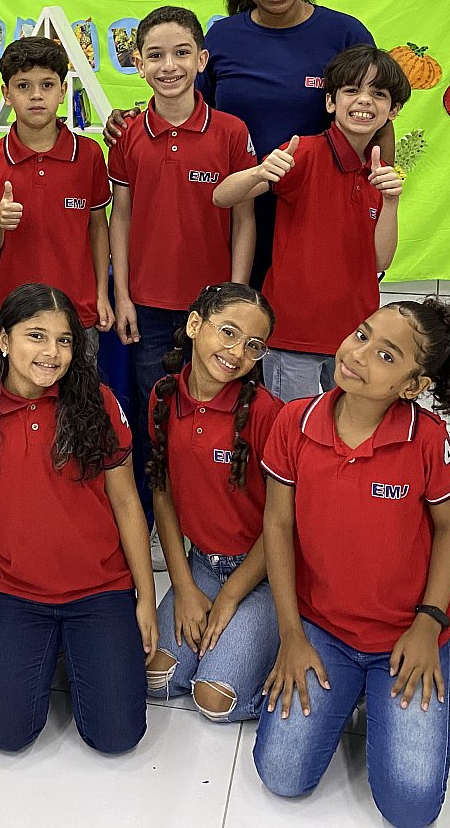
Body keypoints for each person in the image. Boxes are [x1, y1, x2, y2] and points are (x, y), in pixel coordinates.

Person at [254, 299, 450, 828]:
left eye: (386, 355)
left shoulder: (426, 438)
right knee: (282, 775)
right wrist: (291, 635)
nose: (358, 354)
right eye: (361, 335)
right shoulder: (295, 421)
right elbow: (278, 526)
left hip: (408, 635)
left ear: (412, 386)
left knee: (410, 807)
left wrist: (429, 624)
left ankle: (372, 690)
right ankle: (349, 689)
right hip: (322, 629)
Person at [105, 0, 380, 286]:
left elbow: (376, 123)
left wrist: (376, 206)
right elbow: (188, 111)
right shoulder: (223, 38)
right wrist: (134, 119)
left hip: (316, 213)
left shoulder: (345, 34)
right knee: (235, 314)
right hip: (234, 211)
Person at [0, 283, 157, 754]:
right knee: (4, 734)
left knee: (117, 736)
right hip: (16, 592)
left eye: (64, 340)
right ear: (4, 340)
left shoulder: (98, 403)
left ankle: (77, 649)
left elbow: (126, 504)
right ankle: (48, 650)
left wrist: (145, 598)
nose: (51, 352)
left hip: (100, 589)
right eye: (36, 336)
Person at [214, 45, 408, 402]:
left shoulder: (380, 174)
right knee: (291, 428)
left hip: (355, 341)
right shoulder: (303, 151)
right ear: (331, 102)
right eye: (352, 90)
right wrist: (259, 172)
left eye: (379, 94)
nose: (364, 100)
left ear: (393, 110)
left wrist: (392, 203)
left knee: (344, 429)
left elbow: (380, 261)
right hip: (292, 337)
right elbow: (222, 196)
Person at [144, 283, 282, 723]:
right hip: (202, 563)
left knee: (213, 698)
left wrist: (230, 598)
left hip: (263, 572)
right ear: (194, 325)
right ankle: (233, 648)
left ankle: (275, 650)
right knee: (156, 680)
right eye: (228, 332)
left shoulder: (266, 413)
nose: (237, 352)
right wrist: (184, 588)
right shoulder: (164, 395)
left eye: (253, 345)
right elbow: (162, 494)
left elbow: (283, 523)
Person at [110, 5, 257, 416]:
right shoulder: (127, 135)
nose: (169, 66)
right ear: (139, 64)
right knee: (155, 414)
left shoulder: (231, 132)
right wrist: (122, 297)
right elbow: (120, 217)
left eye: (181, 53)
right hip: (148, 306)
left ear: (201, 60)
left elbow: (244, 220)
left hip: (214, 305)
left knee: (215, 412)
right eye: (156, 55)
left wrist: (236, 296)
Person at [0, 36, 113, 341]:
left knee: (82, 375)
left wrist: (102, 293)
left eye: (47, 85)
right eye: (23, 86)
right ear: (6, 94)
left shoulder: (88, 155)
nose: (36, 95)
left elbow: (98, 227)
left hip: (77, 313)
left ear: (63, 91)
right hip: (11, 316)